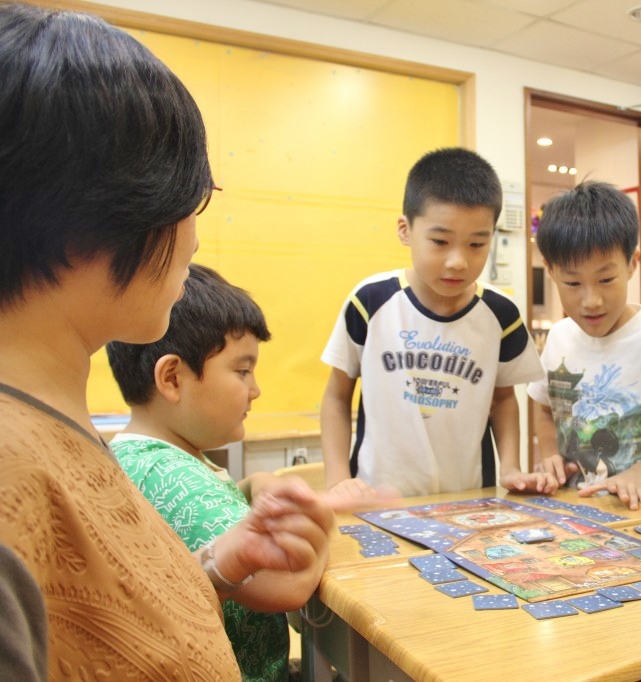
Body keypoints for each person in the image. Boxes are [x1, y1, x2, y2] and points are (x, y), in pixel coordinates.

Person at [0, 5, 378, 678]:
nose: (196, 238)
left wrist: (215, 567)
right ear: (95, 213)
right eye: (187, 202)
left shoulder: (59, 421)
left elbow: (107, 620)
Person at [106, 263, 346, 681]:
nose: (255, 390)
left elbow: (218, 496)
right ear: (172, 378)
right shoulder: (168, 473)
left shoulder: (156, 457)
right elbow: (285, 586)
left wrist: (260, 484)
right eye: (242, 370)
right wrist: (324, 524)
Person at [320, 147, 557, 497]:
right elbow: (337, 398)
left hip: (467, 501)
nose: (458, 261)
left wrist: (510, 467)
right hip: (376, 500)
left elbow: (503, 400)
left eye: (476, 244)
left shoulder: (501, 314)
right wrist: (338, 480)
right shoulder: (369, 301)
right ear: (405, 230)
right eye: (440, 241)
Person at [527, 181, 641, 510]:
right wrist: (550, 454)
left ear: (632, 263)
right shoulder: (559, 337)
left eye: (606, 279)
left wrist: (639, 474)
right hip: (573, 514)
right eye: (573, 282)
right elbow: (543, 409)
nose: (592, 300)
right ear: (550, 271)